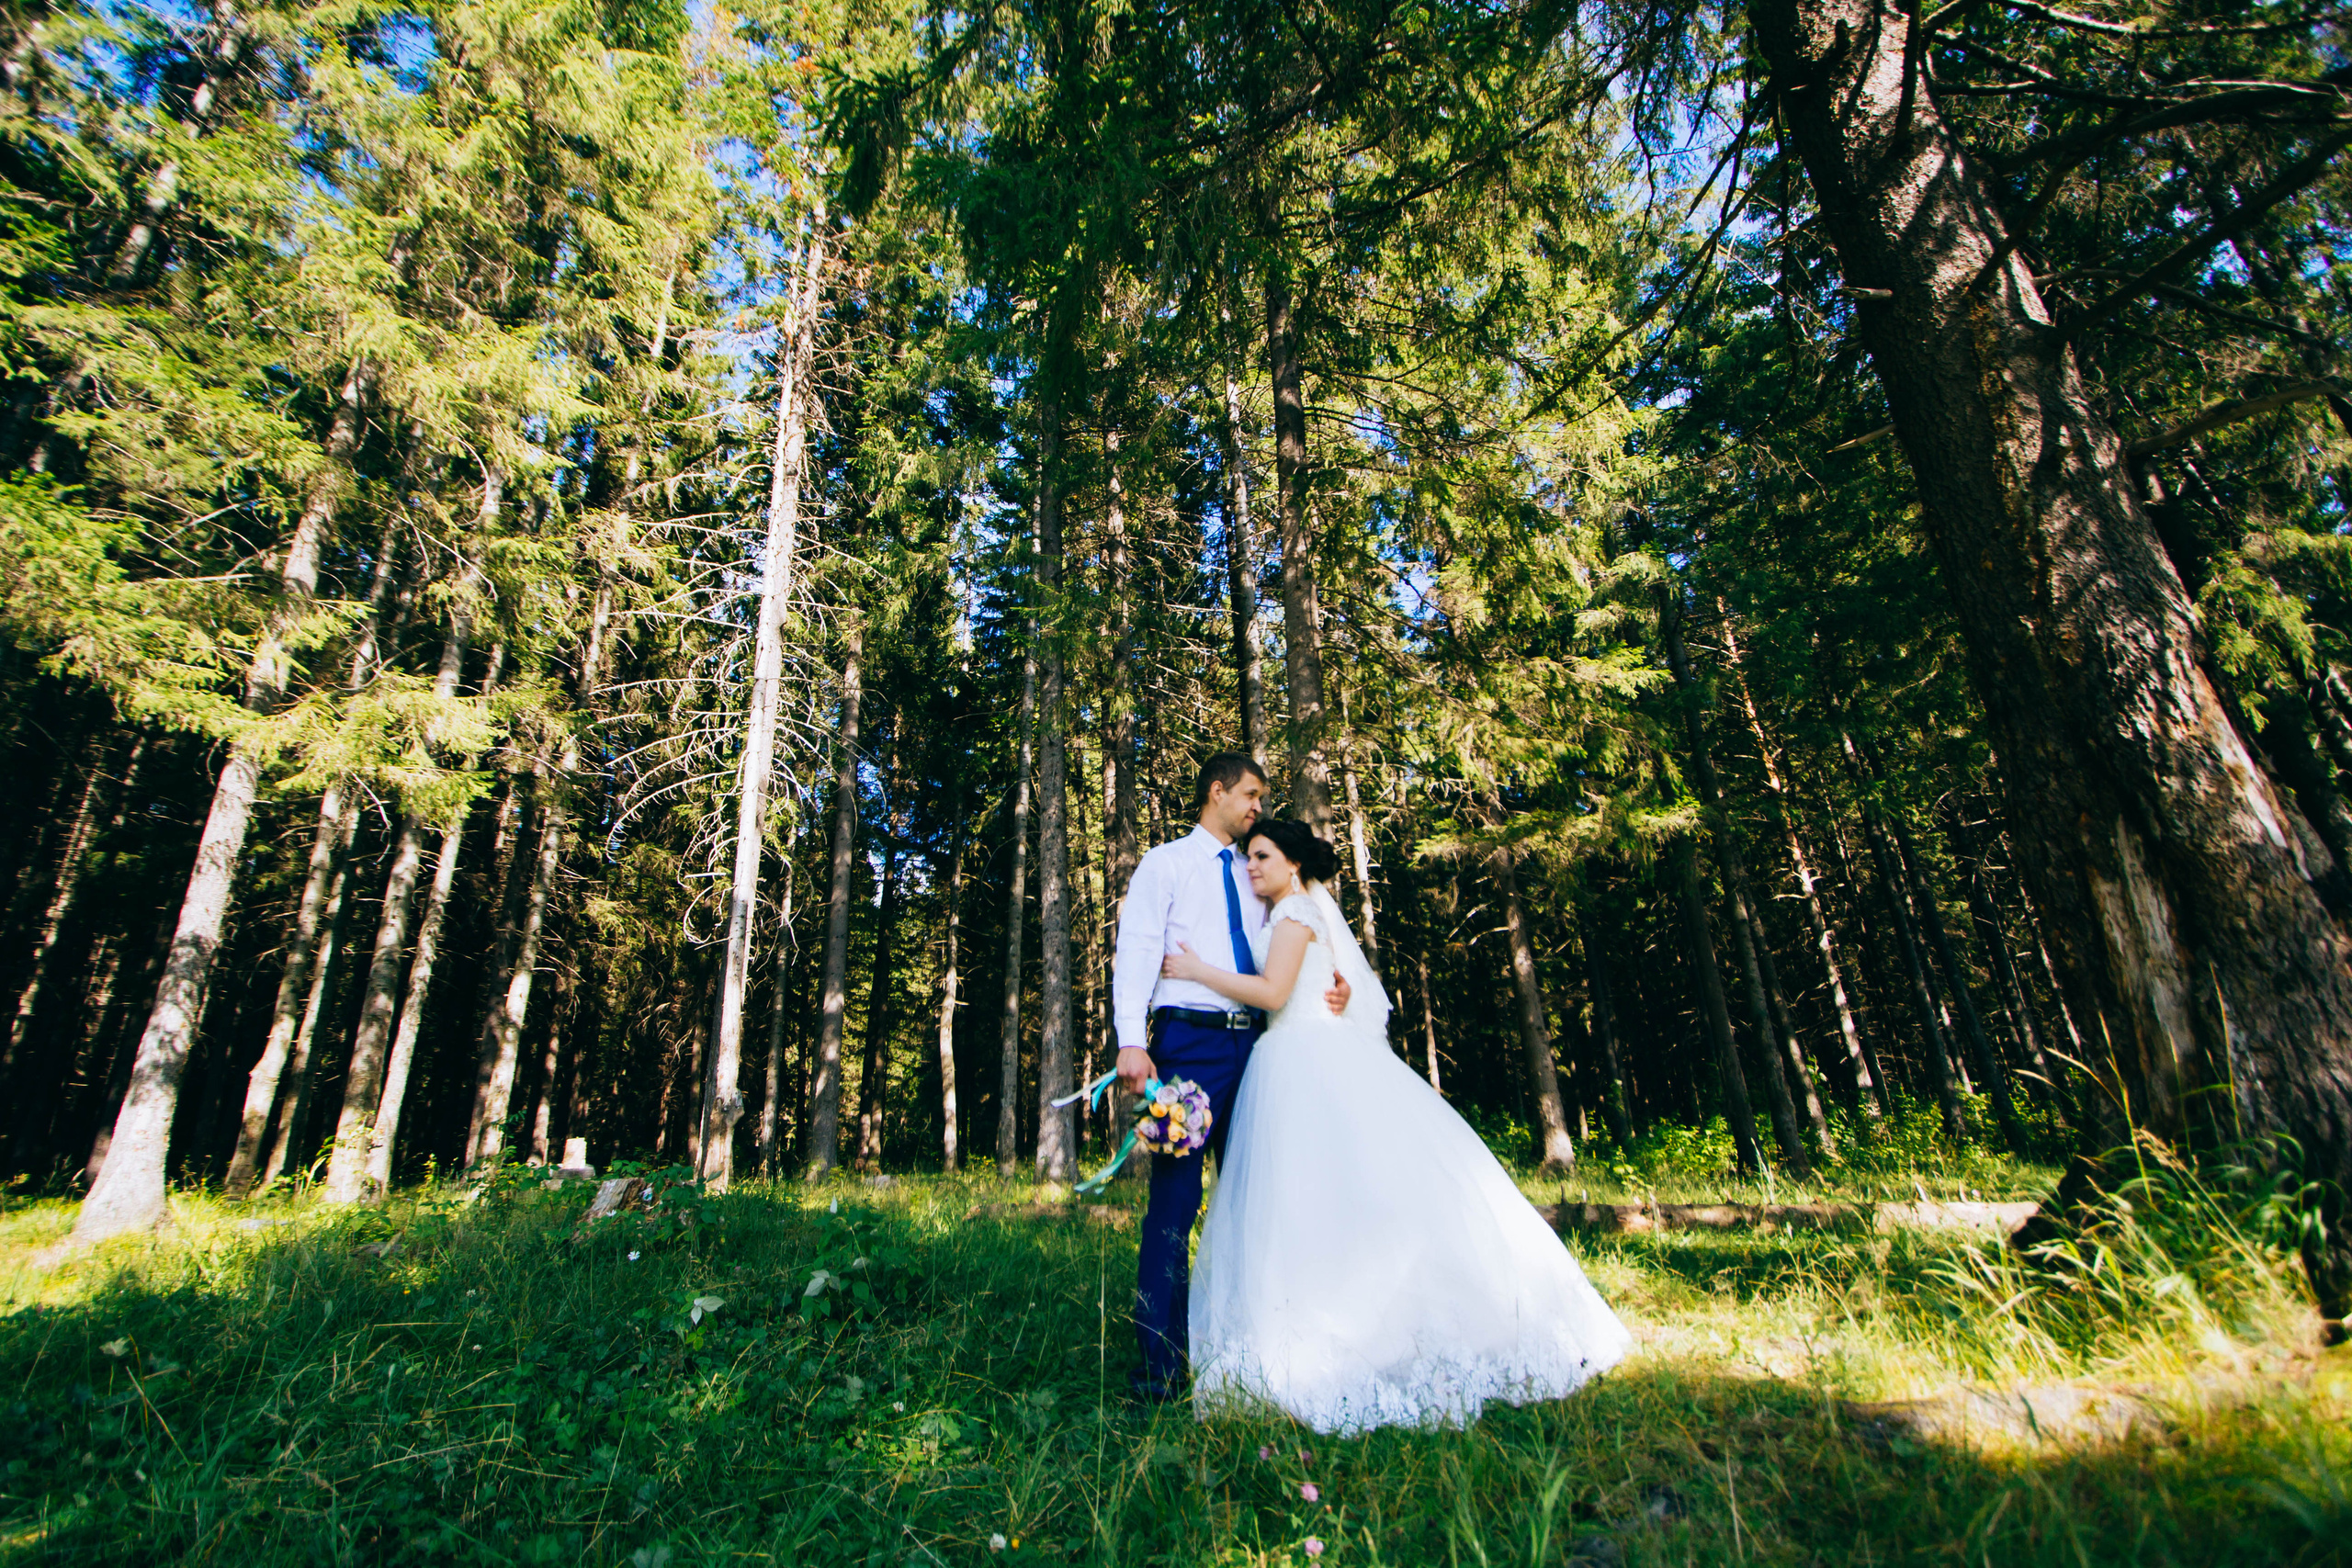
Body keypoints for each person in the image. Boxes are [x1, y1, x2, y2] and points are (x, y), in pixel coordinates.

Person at [1161, 818, 1633, 1433]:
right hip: (1300, 1055)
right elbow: (1324, 982)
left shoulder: (1294, 913)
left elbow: (1274, 992)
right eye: (1249, 857)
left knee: (1307, 1200)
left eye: (1262, 856)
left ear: (1292, 863)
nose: (1251, 867)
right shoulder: (1297, 912)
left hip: (1302, 1059)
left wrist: (1197, 971)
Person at [1111, 754, 1350, 1402]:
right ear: (1217, 791)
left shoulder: (1257, 872)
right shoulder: (1166, 863)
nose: (1255, 807)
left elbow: (1294, 938)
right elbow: (1136, 946)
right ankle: (1160, 1370)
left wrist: (1332, 980)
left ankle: (1258, 1354)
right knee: (1175, 1202)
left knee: (1260, 1199)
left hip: (1264, 1051)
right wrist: (1132, 1039)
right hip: (1190, 1043)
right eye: (1249, 794)